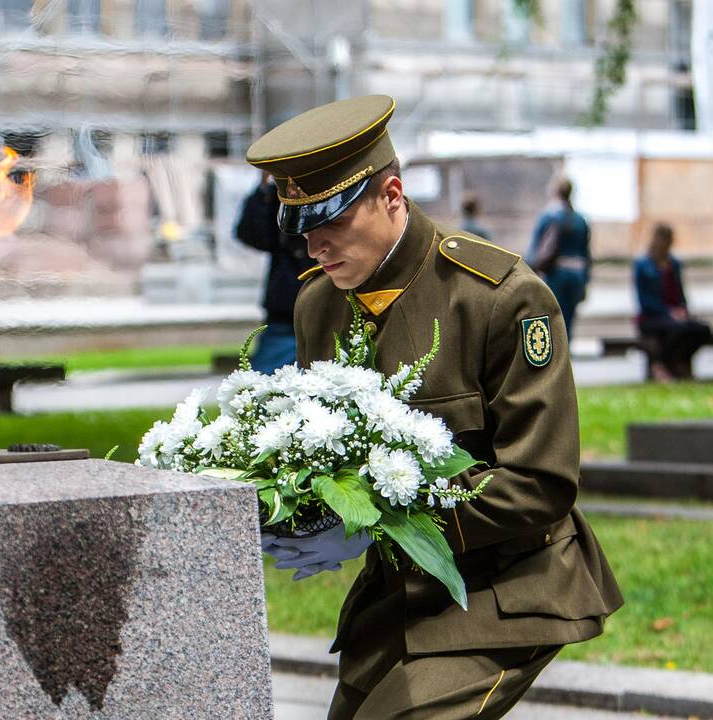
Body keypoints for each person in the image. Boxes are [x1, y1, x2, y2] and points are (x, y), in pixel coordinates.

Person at [247, 95, 622, 720]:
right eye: (303, 227)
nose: (315, 245)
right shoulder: (318, 304)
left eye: (332, 220)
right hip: (396, 600)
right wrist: (296, 510)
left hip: (507, 590)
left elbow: (541, 483)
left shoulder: (500, 297)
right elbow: (324, 454)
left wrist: (385, 517)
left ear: (391, 193)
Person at [235, 172, 317, 373]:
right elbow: (252, 235)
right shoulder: (277, 193)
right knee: (260, 394)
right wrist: (266, 185)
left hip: (329, 308)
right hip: (285, 313)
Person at [633, 223, 713, 381]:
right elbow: (644, 300)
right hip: (652, 317)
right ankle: (661, 365)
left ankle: (678, 363)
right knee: (676, 329)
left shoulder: (674, 264)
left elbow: (680, 293)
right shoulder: (643, 265)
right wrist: (668, 313)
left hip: (675, 316)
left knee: (702, 330)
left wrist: (683, 310)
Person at [526, 179, 590, 340]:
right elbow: (586, 253)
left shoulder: (548, 216)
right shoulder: (581, 219)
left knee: (553, 317)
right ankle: (568, 353)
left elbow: (535, 249)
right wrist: (586, 280)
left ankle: (556, 359)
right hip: (577, 274)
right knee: (569, 318)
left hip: (556, 274)